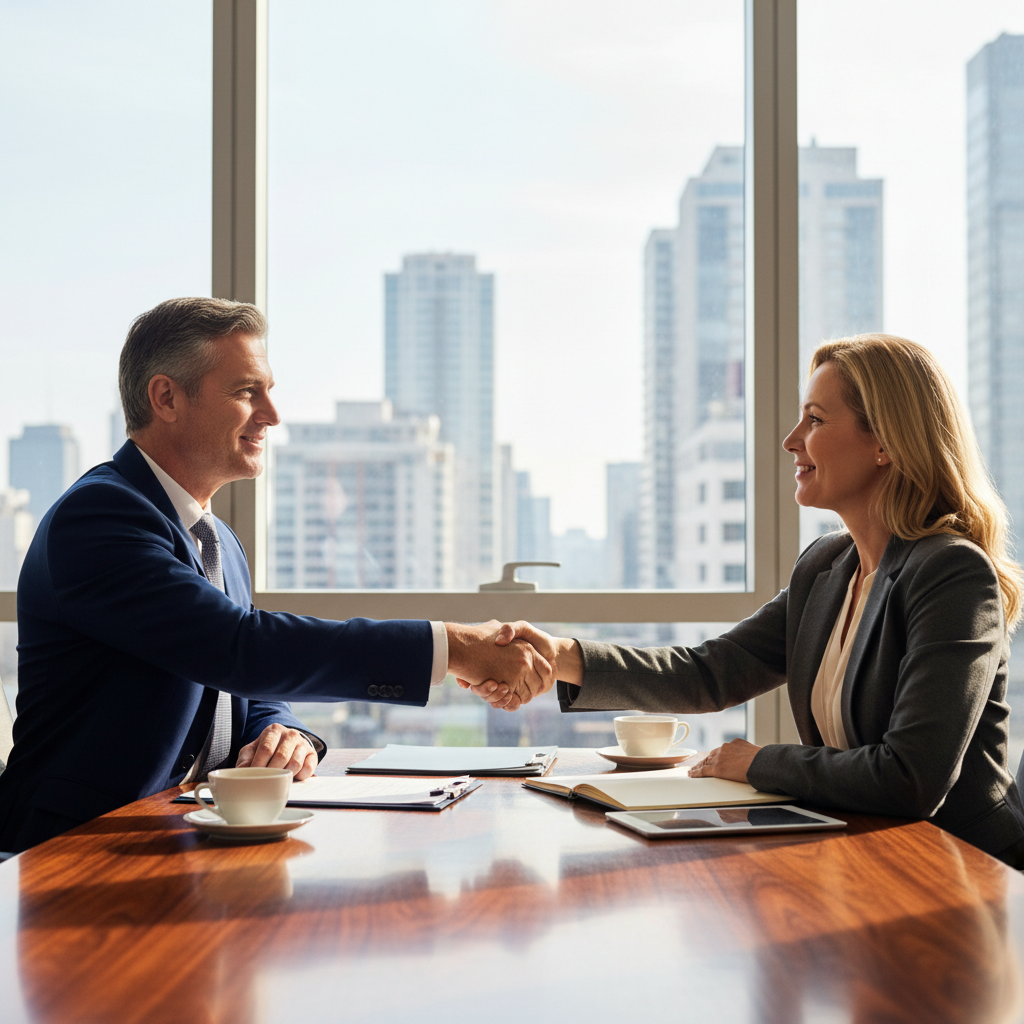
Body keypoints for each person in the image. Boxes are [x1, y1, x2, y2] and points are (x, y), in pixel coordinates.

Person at [0, 297, 544, 852]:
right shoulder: (98, 519)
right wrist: (450, 645)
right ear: (166, 397)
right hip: (74, 847)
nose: (271, 414)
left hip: (186, 838)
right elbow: (238, 648)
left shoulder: (217, 541)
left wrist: (280, 732)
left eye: (268, 390)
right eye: (245, 392)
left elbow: (239, 680)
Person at [475, 335, 1024, 865]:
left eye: (815, 419)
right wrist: (560, 655)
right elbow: (709, 672)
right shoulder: (826, 567)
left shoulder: (951, 573)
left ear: (885, 442)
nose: (791, 440)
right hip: (866, 850)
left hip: (963, 871)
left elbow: (910, 778)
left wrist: (760, 762)